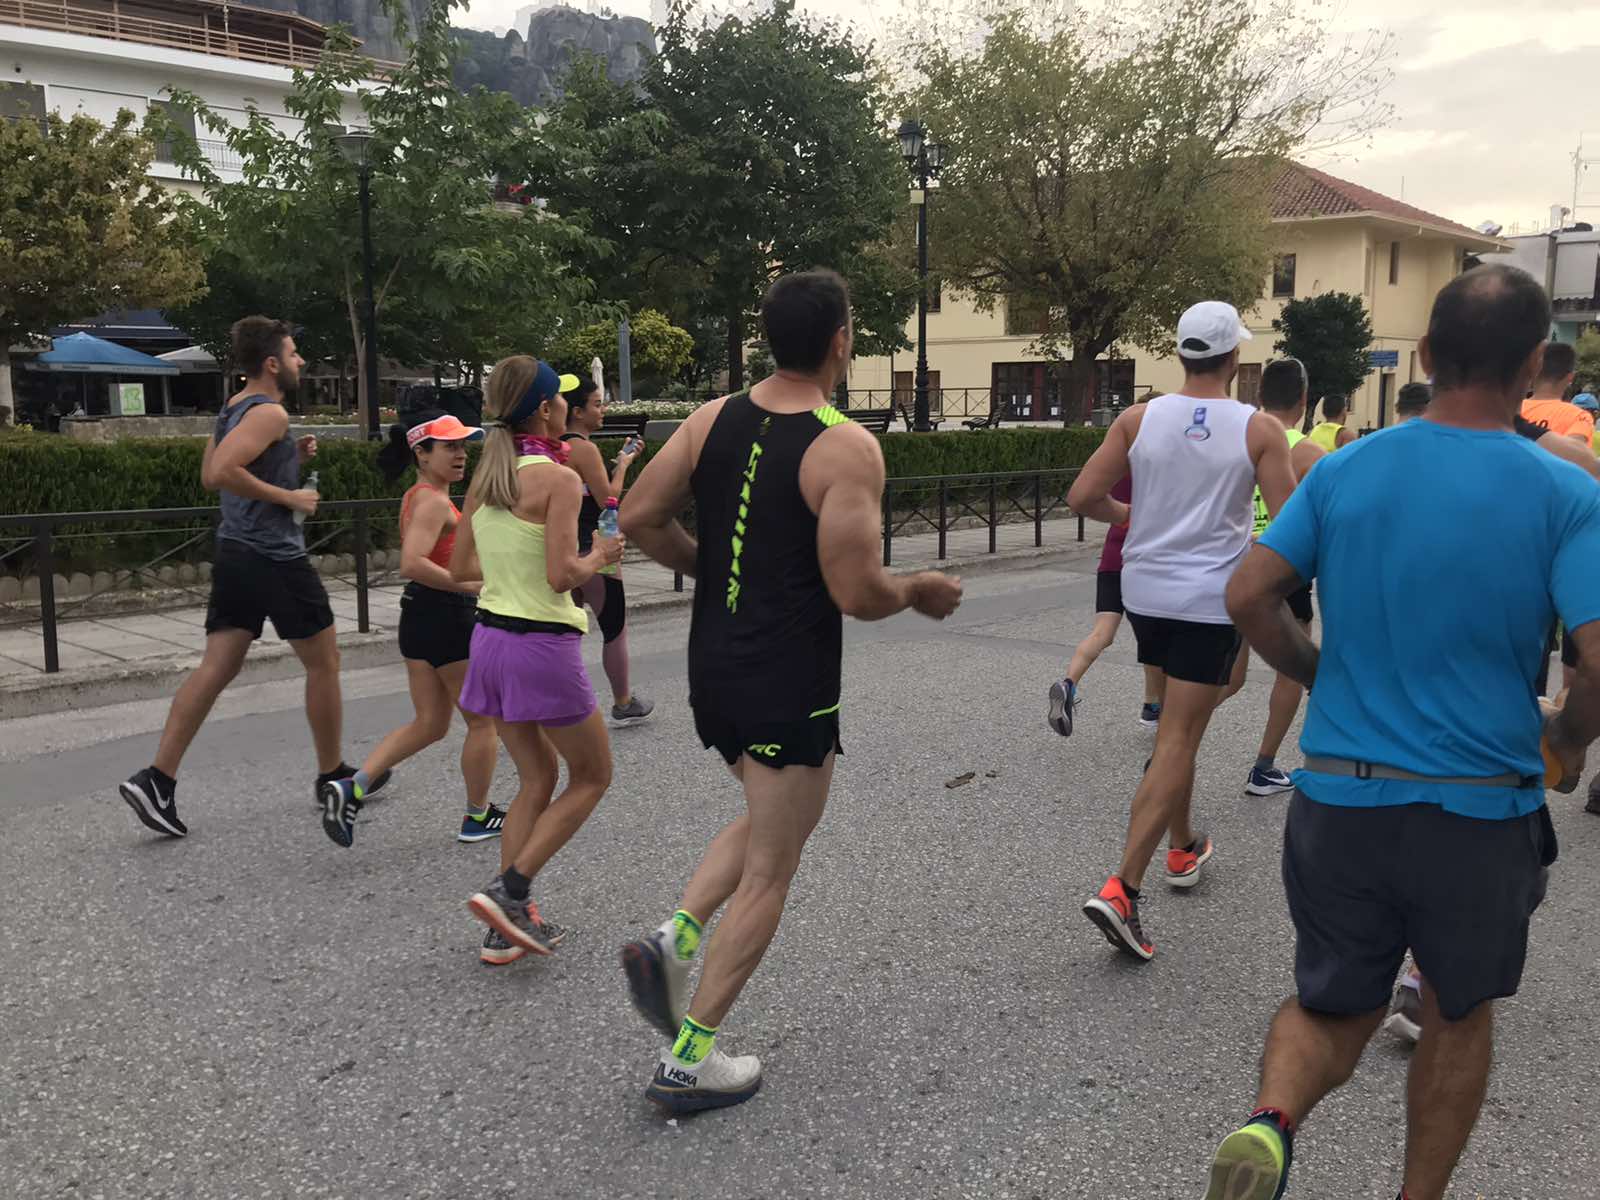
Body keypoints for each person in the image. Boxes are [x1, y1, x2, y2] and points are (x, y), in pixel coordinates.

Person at [1206, 264, 1600, 1200]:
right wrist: (1570, 737)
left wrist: (1319, 673)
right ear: (1533, 366)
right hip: (1480, 811)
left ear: (1424, 355)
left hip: (1340, 795)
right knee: (1457, 1014)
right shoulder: (1565, 492)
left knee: (1331, 1006)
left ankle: (1269, 1123)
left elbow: (1249, 594)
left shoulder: (1346, 468)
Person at [614, 270, 963, 1113]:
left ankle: (676, 936)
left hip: (714, 668)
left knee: (774, 817)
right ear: (841, 340)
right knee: (775, 865)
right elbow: (857, 592)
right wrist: (916, 589)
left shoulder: (711, 417)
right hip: (788, 678)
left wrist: (708, 568)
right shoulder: (846, 446)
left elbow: (637, 516)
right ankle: (689, 1061)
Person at [1069, 301, 1296, 960]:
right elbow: (1289, 526)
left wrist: (1133, 517)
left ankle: (1183, 845)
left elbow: (1082, 497)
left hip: (1145, 592)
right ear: (1234, 358)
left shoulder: (1138, 418)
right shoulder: (1259, 429)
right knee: (1178, 737)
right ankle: (1122, 889)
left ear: (1181, 354)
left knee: (1178, 725)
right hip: (1207, 600)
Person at [120, 317, 352, 838]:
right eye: (293, 354)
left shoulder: (234, 407)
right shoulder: (269, 411)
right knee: (325, 662)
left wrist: (288, 456)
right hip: (274, 556)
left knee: (217, 666)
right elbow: (222, 472)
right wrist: (290, 495)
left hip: (236, 552)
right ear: (271, 363)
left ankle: (157, 780)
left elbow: (218, 470)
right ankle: (332, 775)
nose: (300, 361)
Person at [452, 357, 624, 965]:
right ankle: (511, 890)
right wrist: (599, 555)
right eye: (562, 401)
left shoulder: (487, 479)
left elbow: (460, 568)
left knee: (535, 778)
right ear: (548, 410)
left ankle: (506, 926)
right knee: (593, 775)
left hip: (489, 642)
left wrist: (510, 574)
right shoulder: (559, 480)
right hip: (540, 647)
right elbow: (560, 575)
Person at [319, 410, 506, 849]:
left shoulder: (419, 495)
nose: (460, 454)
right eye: (449, 447)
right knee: (484, 722)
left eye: (463, 446)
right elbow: (412, 562)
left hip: (420, 617)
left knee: (431, 723)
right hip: (447, 618)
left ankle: (352, 787)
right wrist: (467, 584)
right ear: (422, 454)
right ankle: (478, 815)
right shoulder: (434, 502)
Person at [1243, 358, 1326, 797]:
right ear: (1304, 399)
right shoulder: (1311, 454)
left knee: (1225, 677)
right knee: (1290, 671)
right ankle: (1264, 768)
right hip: (1284, 566)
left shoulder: (1240, 438)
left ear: (1259, 396)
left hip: (1236, 561)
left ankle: (1174, 742)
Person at [559, 374, 654, 727]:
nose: (603, 410)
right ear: (577, 411)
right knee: (614, 628)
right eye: (597, 404)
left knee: (563, 632)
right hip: (595, 549)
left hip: (559, 550)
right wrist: (624, 466)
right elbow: (608, 502)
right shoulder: (582, 448)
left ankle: (558, 701)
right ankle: (623, 701)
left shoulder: (548, 448)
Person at [1047, 473, 1168, 737]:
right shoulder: (1158, 464)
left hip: (1112, 558)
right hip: (1145, 559)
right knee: (1154, 643)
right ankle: (1158, 709)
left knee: (1101, 634)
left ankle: (1069, 683)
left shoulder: (1117, 466)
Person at [1520, 341, 1594, 445]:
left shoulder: (1510, 411)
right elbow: (1572, 450)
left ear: (1533, 371)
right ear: (1570, 377)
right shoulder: (1579, 417)